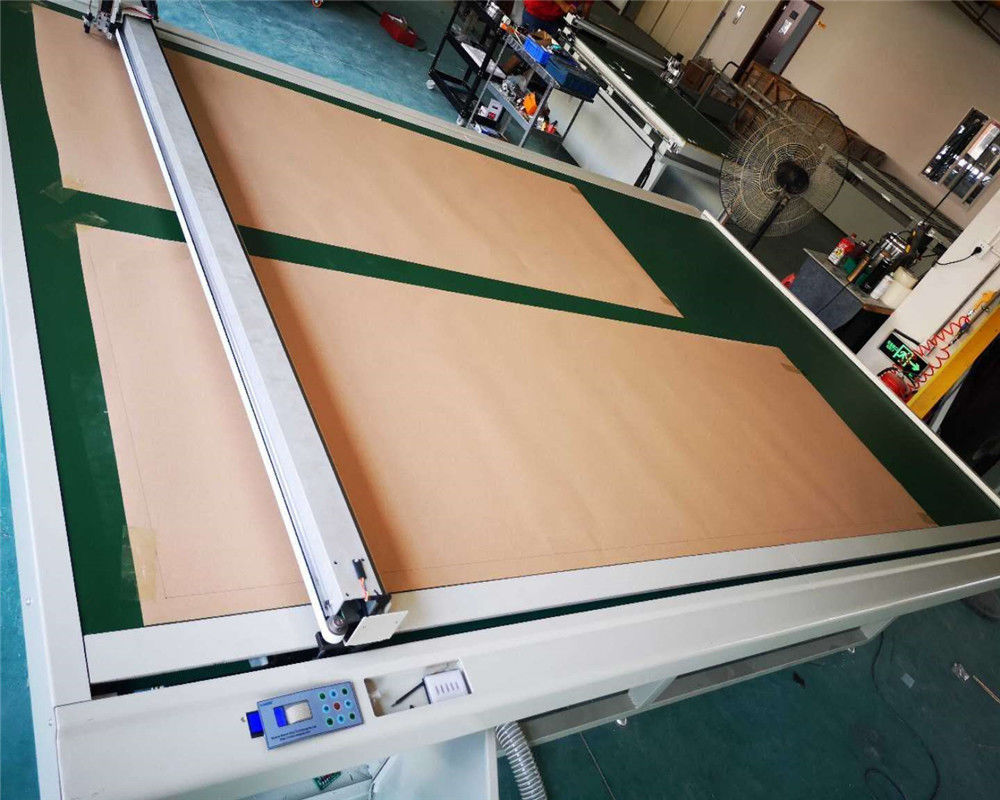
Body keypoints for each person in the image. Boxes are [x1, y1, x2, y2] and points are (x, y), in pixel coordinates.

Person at [521, 0, 593, 36]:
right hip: (536, 11)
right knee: (525, 46)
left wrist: (583, 25)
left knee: (550, 50)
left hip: (554, 18)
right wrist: (564, 5)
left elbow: (587, 7)